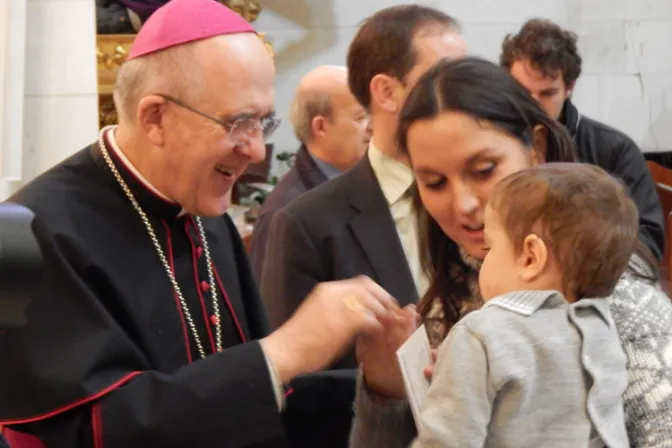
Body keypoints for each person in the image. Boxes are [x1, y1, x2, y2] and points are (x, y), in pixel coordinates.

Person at [0, 1, 400, 447]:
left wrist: (379, 388)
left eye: (262, 122)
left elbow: (258, 404)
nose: (257, 151)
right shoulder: (29, 233)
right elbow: (81, 433)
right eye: (238, 122)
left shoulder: (202, 212)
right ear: (155, 118)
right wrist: (284, 351)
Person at [349, 57, 672, 448]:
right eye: (434, 182)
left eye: (483, 170)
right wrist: (389, 389)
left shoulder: (617, 302)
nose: (464, 204)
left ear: (535, 148)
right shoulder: (446, 298)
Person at [261, 3, 467, 339]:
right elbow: (295, 377)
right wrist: (379, 382)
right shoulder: (307, 225)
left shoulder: (490, 198)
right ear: (386, 92)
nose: (467, 95)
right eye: (445, 79)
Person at [402, 163, 634, 447]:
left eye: (490, 247)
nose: (483, 259)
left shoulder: (480, 334)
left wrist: (467, 361)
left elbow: (446, 440)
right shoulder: (599, 325)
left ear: (530, 258)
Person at [500, 18, 665, 261]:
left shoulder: (614, 150)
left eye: (547, 93)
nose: (532, 105)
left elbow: (648, 242)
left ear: (569, 87)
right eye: (522, 93)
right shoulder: (493, 145)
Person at [250, 65, 371, 282]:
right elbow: (272, 312)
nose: (372, 127)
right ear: (321, 127)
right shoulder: (283, 214)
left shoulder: (360, 184)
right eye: (360, 117)